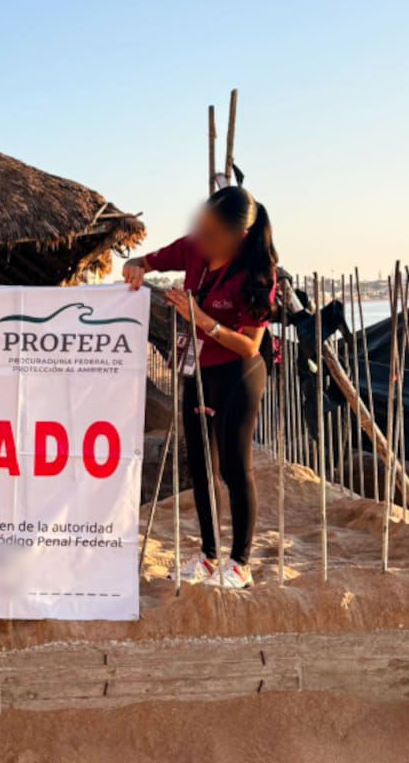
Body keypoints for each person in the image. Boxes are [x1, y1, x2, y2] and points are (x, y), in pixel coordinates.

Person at [123, 186, 277, 589]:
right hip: (197, 370)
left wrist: (204, 320)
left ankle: (240, 564)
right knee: (200, 466)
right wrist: (135, 266)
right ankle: (209, 557)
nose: (203, 238)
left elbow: (250, 345)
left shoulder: (258, 273)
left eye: (213, 233)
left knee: (233, 466)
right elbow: (144, 259)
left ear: (238, 236)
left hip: (239, 373)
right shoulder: (192, 249)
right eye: (202, 227)